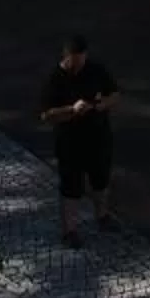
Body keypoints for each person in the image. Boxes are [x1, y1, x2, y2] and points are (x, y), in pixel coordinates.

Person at [39, 32, 119, 246]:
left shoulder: (96, 70)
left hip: (98, 136)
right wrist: (71, 110)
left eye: (81, 60)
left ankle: (102, 216)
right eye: (74, 62)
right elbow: (46, 115)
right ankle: (70, 231)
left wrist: (102, 105)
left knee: (100, 180)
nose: (78, 66)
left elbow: (114, 94)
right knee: (71, 186)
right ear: (66, 56)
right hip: (70, 142)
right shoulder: (55, 79)